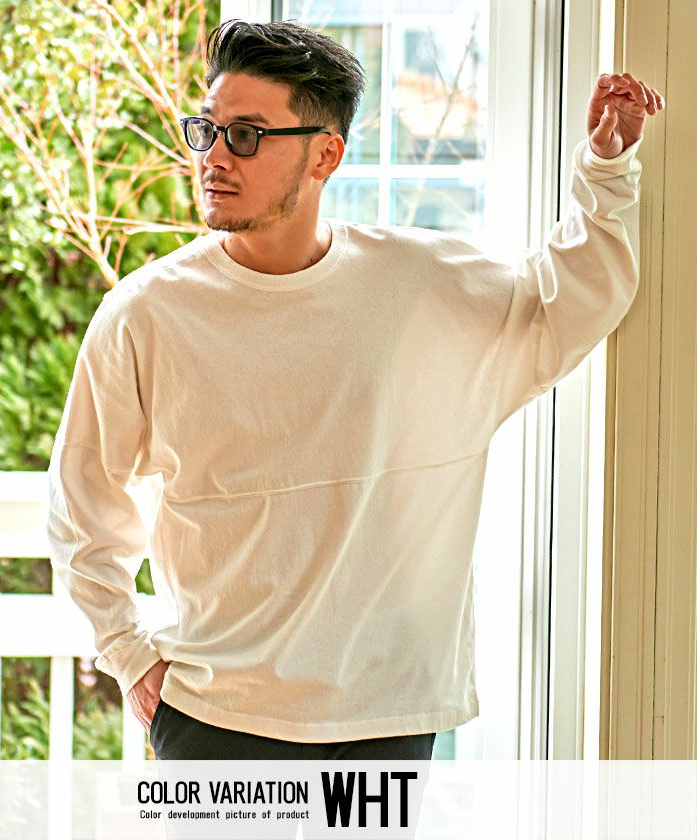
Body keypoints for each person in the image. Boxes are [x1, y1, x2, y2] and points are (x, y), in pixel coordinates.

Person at [46, 18, 664, 761]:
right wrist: (127, 651)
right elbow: (82, 502)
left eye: (246, 136)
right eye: (206, 131)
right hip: (217, 717)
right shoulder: (145, 314)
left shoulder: (419, 286)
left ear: (326, 155)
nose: (214, 157)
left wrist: (604, 170)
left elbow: (565, 304)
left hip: (387, 717)